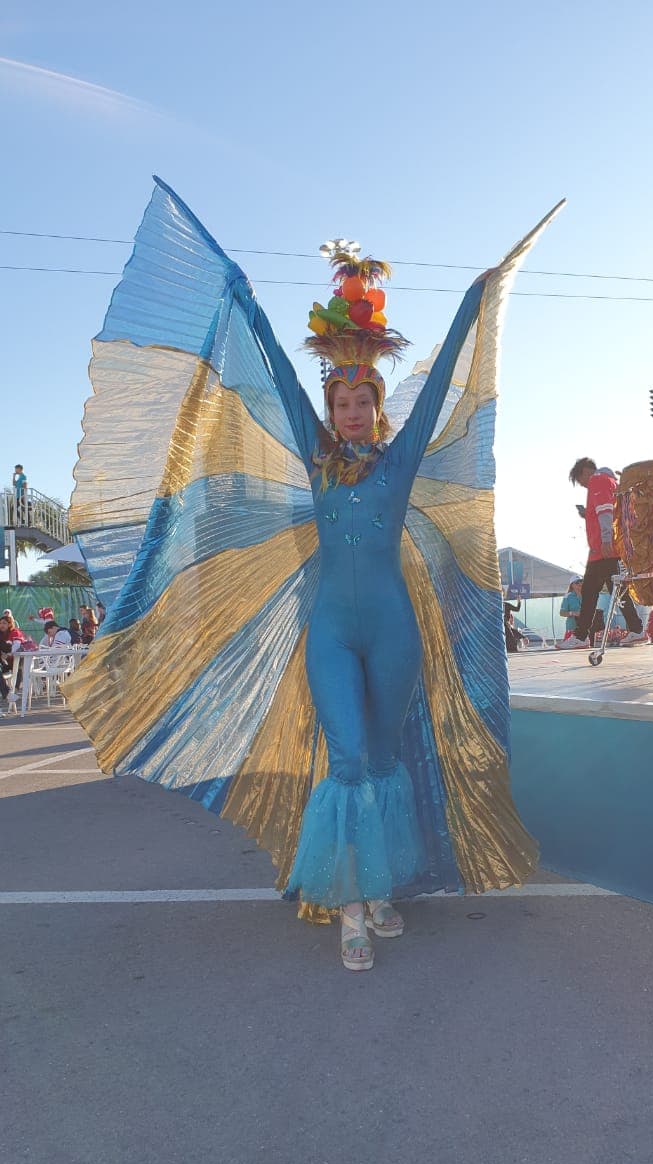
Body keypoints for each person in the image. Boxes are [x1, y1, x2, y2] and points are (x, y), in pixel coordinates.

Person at [66, 181, 556, 973]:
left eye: (362, 399)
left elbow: (437, 398)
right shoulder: (318, 460)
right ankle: (351, 908)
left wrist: (474, 301)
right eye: (341, 400)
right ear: (330, 407)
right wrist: (247, 303)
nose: (352, 410)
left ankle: (381, 885)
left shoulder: (398, 468)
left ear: (375, 406)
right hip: (331, 629)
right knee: (351, 759)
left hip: (391, 629)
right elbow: (275, 382)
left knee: (389, 758)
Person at [556, 457, 647, 650]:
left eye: (581, 481)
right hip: (608, 549)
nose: (584, 486)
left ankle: (581, 636)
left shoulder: (598, 480)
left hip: (603, 550)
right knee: (616, 589)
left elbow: (605, 512)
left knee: (591, 592)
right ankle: (636, 629)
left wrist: (606, 539)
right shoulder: (611, 482)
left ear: (586, 471)